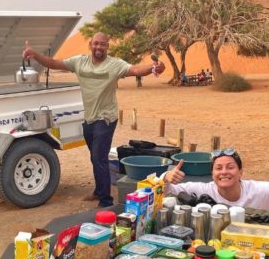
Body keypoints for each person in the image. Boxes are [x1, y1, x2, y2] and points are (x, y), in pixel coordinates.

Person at [23, 33, 165, 208]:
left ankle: (106, 201)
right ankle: (99, 191)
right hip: (89, 118)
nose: (99, 47)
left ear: (107, 47)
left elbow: (135, 69)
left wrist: (153, 67)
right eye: (96, 44)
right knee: (94, 157)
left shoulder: (115, 64)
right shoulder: (79, 62)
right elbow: (54, 63)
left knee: (99, 157)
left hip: (105, 119)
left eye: (103, 44)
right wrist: (34, 54)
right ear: (90, 44)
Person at [162, 147, 269, 210]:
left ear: (241, 172)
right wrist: (166, 178)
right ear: (212, 174)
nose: (224, 172)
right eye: (218, 168)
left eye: (230, 167)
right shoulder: (203, 189)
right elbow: (165, 191)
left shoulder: (261, 190)